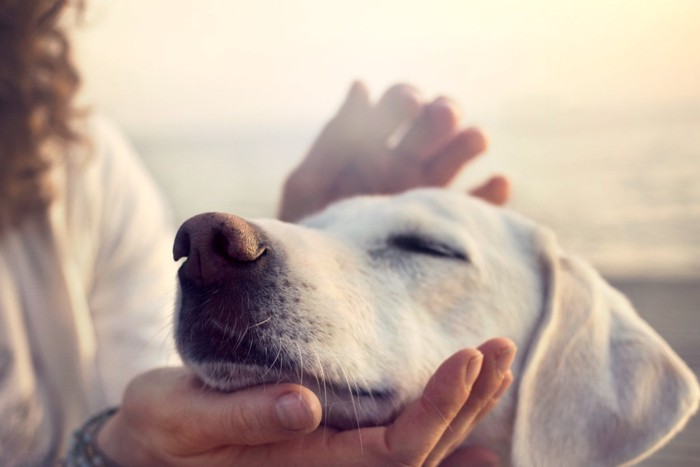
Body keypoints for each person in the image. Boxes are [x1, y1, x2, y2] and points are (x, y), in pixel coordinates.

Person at [0, 1, 514, 465]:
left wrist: (319, 259)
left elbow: (156, 397)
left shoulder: (78, 161)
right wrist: (109, 454)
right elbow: (132, 428)